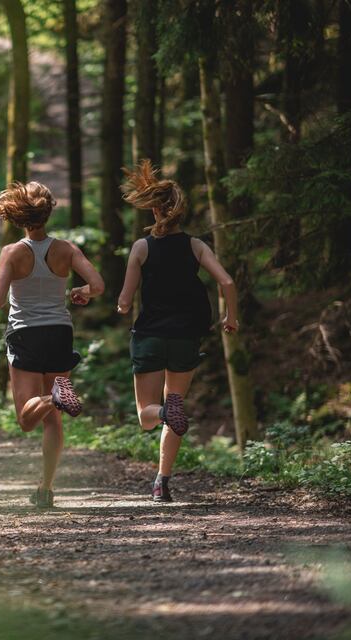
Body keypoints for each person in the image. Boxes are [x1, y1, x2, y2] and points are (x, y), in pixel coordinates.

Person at [116, 160, 239, 502]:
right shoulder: (196, 246)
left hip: (150, 337)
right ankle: (161, 483)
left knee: (147, 416)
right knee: (176, 406)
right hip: (186, 338)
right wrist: (231, 317)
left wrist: (121, 306)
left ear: (154, 209)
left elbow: (125, 301)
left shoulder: (142, 248)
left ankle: (167, 417)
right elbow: (227, 281)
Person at [0, 182, 104, 508]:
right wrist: (83, 293)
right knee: (53, 419)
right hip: (59, 332)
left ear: (20, 216)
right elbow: (98, 284)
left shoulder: (12, 253)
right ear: (48, 213)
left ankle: (54, 397)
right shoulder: (66, 249)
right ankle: (46, 489)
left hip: (26, 335)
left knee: (26, 419)